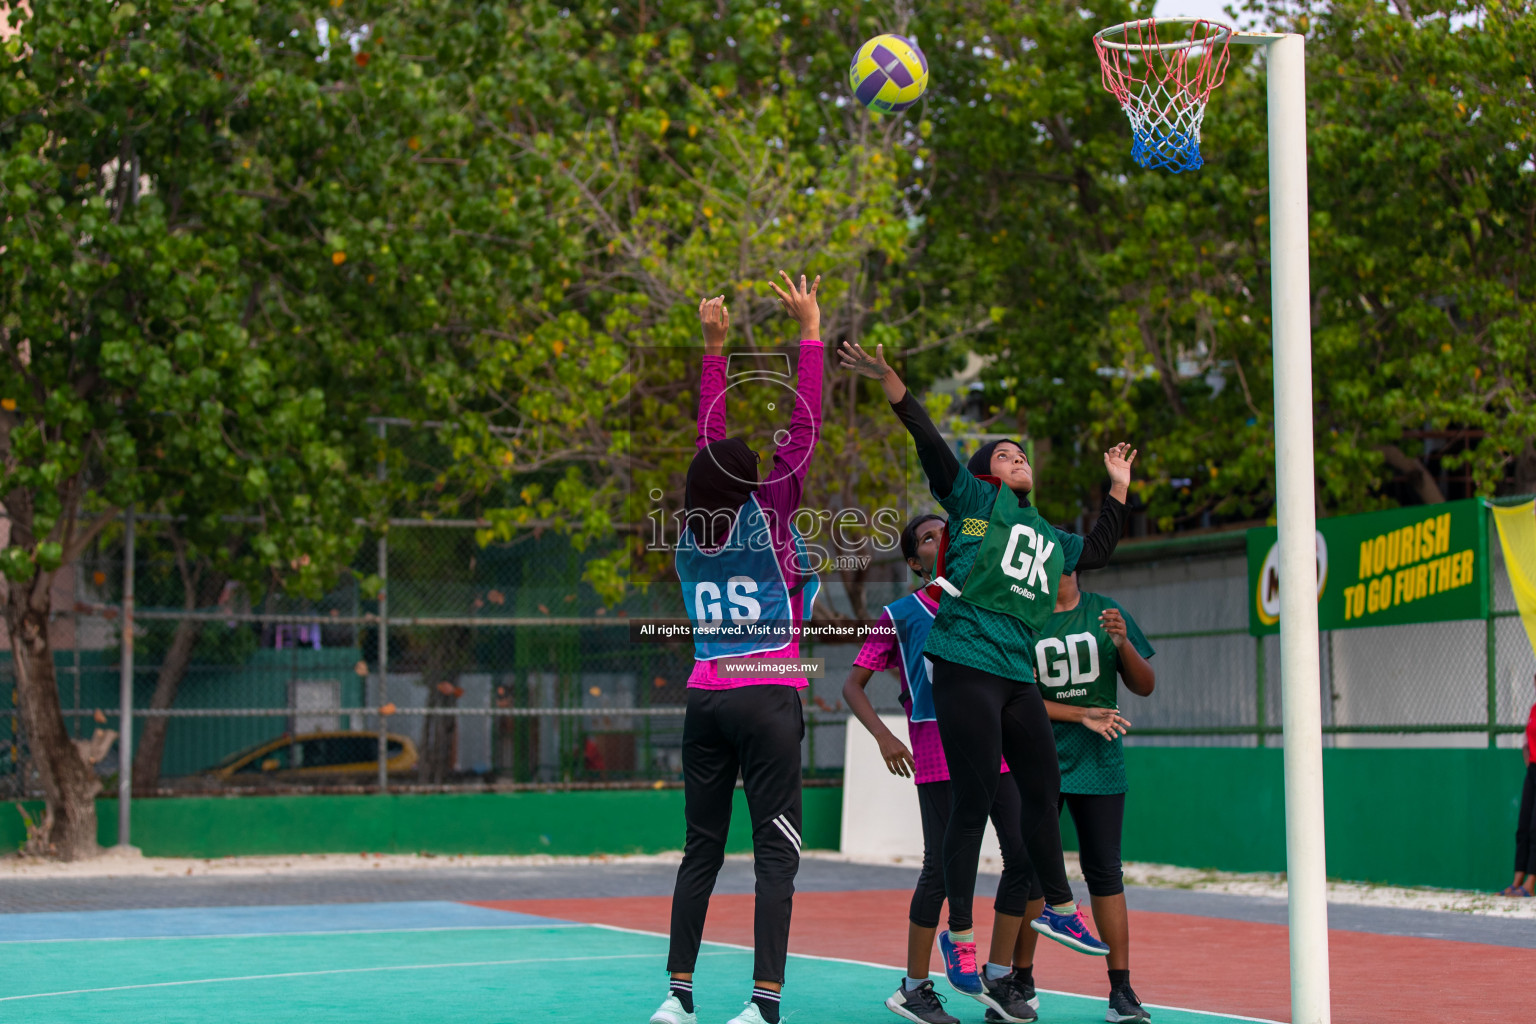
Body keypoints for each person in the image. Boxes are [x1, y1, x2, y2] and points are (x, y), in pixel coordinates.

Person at [838, 339, 1136, 999]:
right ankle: (961, 939)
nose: (1017, 456)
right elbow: (926, 438)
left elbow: (1105, 546)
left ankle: (1058, 906)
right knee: (971, 806)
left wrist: (1117, 486)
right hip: (965, 662)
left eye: (1021, 452)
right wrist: (889, 379)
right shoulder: (972, 502)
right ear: (986, 475)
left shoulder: (1050, 537)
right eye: (1005, 453)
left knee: (1043, 787)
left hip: (1014, 670)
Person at [652, 275, 824, 1024]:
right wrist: (810, 331)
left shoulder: (691, 535)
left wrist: (714, 347)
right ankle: (763, 1004)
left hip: (704, 699)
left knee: (701, 853)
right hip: (767, 696)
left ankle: (678, 997)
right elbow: (805, 423)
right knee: (776, 855)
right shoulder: (772, 511)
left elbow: (706, 445)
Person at [844, 515, 1045, 1024]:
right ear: (914, 562)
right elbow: (853, 686)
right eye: (929, 538)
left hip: (996, 747)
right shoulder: (900, 614)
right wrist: (886, 736)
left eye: (947, 532)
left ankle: (998, 977)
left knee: (1023, 854)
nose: (943, 539)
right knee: (940, 868)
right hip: (937, 749)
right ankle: (913, 987)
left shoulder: (990, 605)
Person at [997, 571, 1155, 1024]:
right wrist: (1078, 712)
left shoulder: (1105, 611)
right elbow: (1016, 697)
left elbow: (1145, 685)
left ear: (1072, 568)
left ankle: (1121, 991)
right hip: (1039, 756)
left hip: (1099, 760)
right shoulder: (1024, 618)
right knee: (1029, 870)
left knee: (1105, 869)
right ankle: (1020, 981)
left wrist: (1123, 644)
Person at [1502, 673, 1536, 897]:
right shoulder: (1534, 709)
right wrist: (1528, 759)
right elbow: (1527, 739)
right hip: (1532, 770)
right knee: (1523, 824)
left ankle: (1530, 884)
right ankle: (1517, 880)